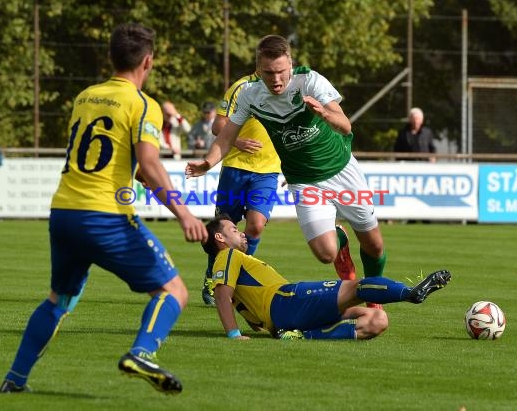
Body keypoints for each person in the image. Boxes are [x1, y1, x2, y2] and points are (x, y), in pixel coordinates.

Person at [0, 23, 207, 395]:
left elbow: (111, 155)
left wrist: (140, 173)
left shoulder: (85, 96)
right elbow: (151, 161)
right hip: (104, 215)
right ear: (148, 61)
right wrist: (185, 214)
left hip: (64, 212)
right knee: (173, 291)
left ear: (111, 58)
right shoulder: (143, 105)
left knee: (58, 299)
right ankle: (142, 353)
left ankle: (14, 380)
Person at [186, 35, 385, 309]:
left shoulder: (310, 81)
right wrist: (207, 163)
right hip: (304, 181)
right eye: (268, 73)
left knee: (374, 246)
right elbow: (226, 136)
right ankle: (354, 266)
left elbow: (346, 126)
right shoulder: (250, 95)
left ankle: (375, 289)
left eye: (281, 72)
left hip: (342, 171)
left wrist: (323, 113)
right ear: (259, 68)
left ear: (290, 64)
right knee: (326, 254)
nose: (276, 79)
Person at [202, 214, 451, 340]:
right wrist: (233, 335)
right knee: (356, 288)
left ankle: (299, 336)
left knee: (377, 320)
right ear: (220, 239)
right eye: (234, 230)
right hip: (287, 300)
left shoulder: (233, 262)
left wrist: (263, 324)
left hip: (283, 318)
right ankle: (409, 293)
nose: (242, 233)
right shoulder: (227, 257)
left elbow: (248, 313)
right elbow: (224, 295)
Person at [200, 73, 281, 306]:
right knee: (223, 230)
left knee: (255, 226)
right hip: (235, 168)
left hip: (267, 171)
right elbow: (218, 126)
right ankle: (212, 276)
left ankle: (235, 276)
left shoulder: (288, 89)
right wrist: (237, 141)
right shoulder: (242, 87)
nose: (276, 73)